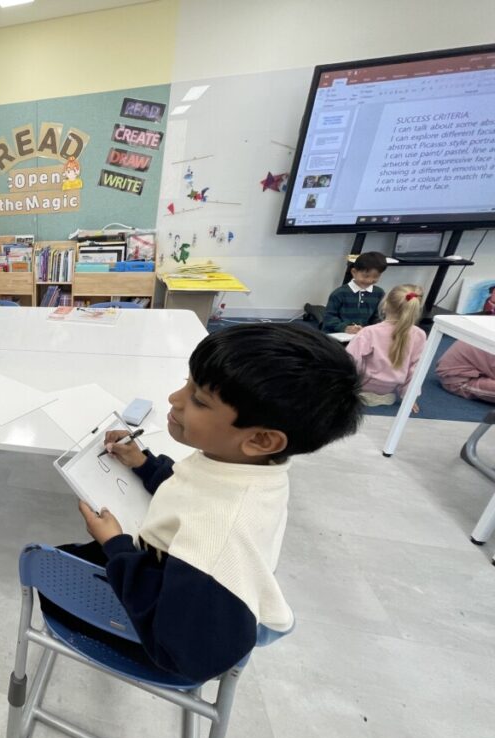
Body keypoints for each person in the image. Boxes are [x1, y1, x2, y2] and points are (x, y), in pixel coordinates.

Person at [41, 325, 362, 683]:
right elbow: (192, 487)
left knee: (52, 572)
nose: (174, 399)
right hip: (177, 581)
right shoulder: (246, 465)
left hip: (158, 646)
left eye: (199, 400)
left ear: (261, 439)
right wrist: (144, 463)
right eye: (187, 383)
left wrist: (115, 545)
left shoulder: (219, 538)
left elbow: (185, 653)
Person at [345, 284, 426, 408]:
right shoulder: (420, 335)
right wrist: (409, 397)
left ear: (385, 304)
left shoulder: (369, 332)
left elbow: (350, 360)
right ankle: (381, 396)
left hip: (363, 385)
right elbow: (415, 369)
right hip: (390, 389)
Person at [321, 251, 388, 334]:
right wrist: (344, 328)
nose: (369, 280)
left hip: (365, 334)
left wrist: (371, 329)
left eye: (376, 276)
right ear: (354, 272)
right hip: (339, 334)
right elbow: (329, 317)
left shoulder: (379, 293)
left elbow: (378, 317)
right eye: (365, 276)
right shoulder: (339, 293)